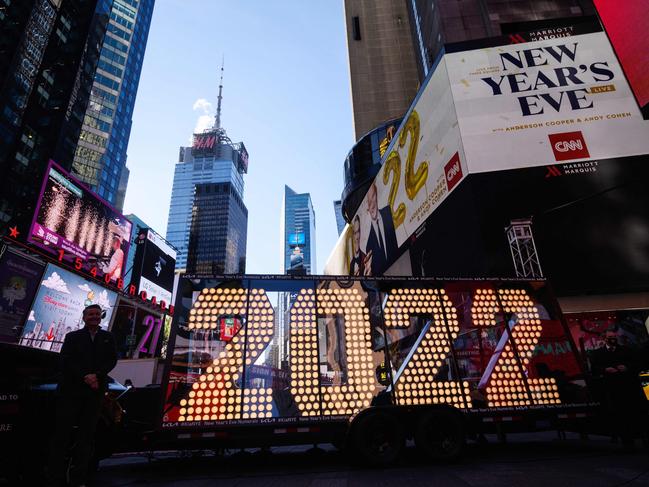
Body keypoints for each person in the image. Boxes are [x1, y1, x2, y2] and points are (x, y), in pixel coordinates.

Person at [47, 304, 117, 486]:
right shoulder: (72, 337)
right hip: (71, 392)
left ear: (100, 317)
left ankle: (79, 479)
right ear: (84, 317)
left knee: (86, 438)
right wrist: (85, 376)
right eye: (90, 314)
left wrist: (97, 376)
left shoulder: (108, 338)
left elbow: (112, 360)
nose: (94, 317)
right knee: (61, 436)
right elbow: (65, 361)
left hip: (94, 394)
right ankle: (55, 477)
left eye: (97, 314)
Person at [590, 329, 645, 446]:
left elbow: (637, 364)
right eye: (610, 337)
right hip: (611, 388)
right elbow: (594, 369)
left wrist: (626, 367)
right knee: (617, 414)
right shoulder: (597, 353)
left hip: (628, 387)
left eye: (614, 336)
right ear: (604, 339)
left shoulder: (626, 350)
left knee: (632, 413)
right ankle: (623, 439)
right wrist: (605, 369)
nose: (613, 339)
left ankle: (636, 438)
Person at [364, 182, 398, 276]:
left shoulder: (390, 212)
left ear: (377, 196)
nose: (372, 205)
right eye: (368, 201)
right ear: (366, 206)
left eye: (373, 196)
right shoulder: (368, 246)